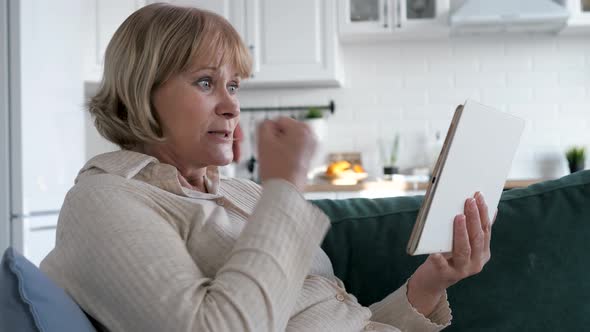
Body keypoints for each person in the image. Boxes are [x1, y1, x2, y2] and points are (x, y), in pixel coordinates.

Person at [40, 3, 492, 332]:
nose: (231, 105)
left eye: (233, 85)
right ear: (141, 89)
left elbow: (339, 322)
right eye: (205, 82)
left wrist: (432, 281)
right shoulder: (106, 201)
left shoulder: (241, 194)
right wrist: (285, 188)